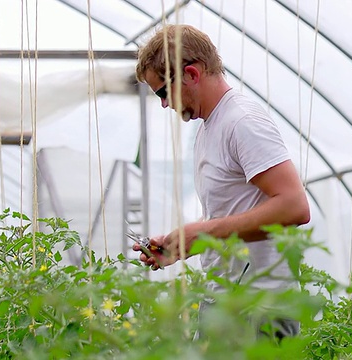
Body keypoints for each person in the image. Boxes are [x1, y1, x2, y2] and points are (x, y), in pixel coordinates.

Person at [133, 24, 311, 339]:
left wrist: (203, 231)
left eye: (163, 91)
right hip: (225, 300)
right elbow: (234, 211)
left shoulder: (241, 121)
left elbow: (294, 206)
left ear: (191, 73)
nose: (163, 104)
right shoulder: (207, 127)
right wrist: (183, 243)